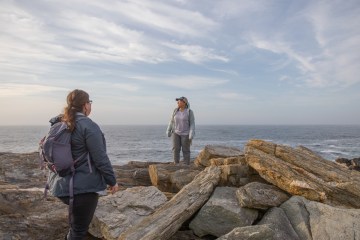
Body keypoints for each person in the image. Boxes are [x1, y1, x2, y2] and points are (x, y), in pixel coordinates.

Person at [47, 89, 119, 240]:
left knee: (75, 229)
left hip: (60, 186)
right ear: (85, 105)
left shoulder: (60, 122)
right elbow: (100, 158)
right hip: (83, 190)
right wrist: (112, 181)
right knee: (79, 232)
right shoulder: (88, 125)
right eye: (89, 102)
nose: (90, 106)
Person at [166, 96, 195, 165]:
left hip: (186, 134)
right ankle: (176, 163)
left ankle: (186, 164)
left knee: (186, 150)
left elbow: (192, 124)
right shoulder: (175, 110)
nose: (177, 102)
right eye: (177, 101)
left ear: (184, 103)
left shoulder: (189, 112)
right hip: (176, 133)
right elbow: (171, 121)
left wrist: (191, 133)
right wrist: (168, 129)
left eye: (179, 101)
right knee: (175, 149)